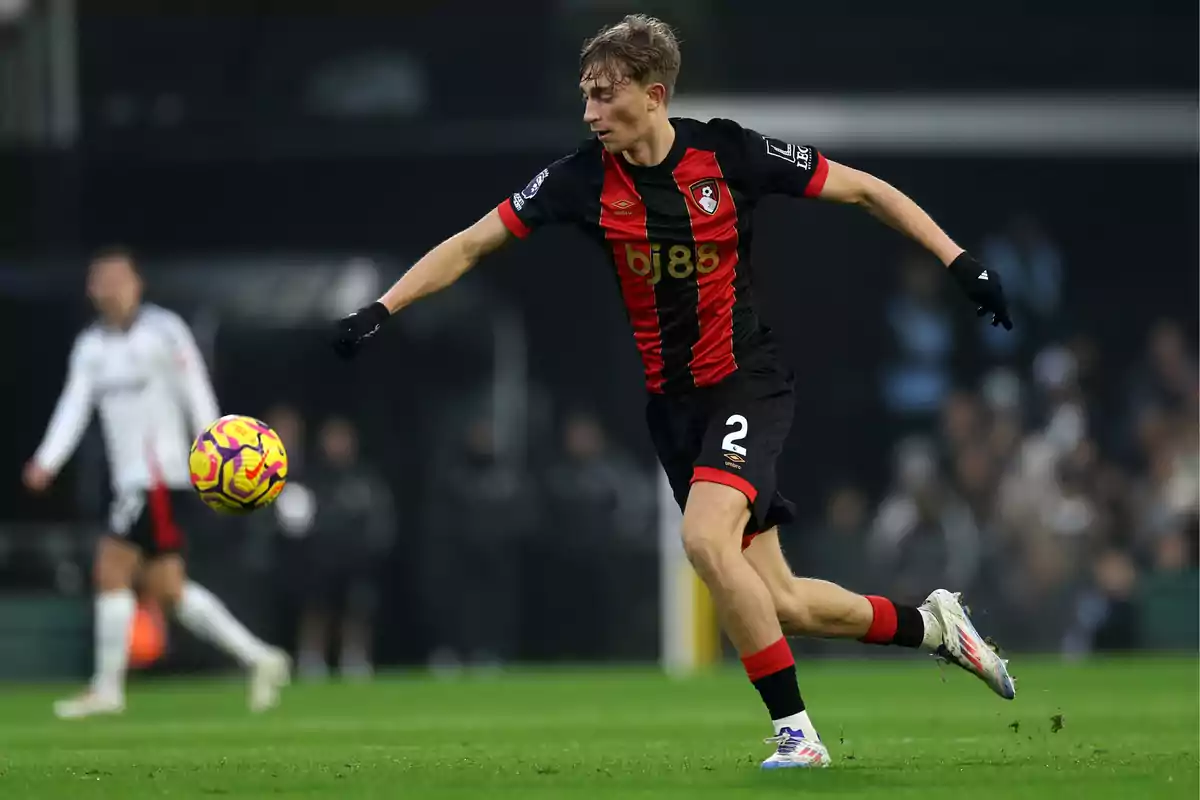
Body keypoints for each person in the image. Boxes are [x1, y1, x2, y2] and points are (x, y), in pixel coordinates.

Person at [332, 15, 1015, 769]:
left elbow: (866, 191)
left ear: (653, 95)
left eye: (603, 95)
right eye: (585, 97)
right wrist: (381, 309)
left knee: (702, 541)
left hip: (744, 383)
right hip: (675, 410)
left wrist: (960, 262)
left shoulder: (729, 153)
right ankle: (935, 629)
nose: (589, 113)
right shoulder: (579, 181)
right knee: (781, 600)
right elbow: (471, 243)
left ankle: (798, 736)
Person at [23, 246, 290, 719]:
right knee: (169, 590)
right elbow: (74, 405)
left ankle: (107, 689)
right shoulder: (91, 346)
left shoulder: (164, 331)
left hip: (162, 477)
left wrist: (219, 451)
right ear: (91, 290)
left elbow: (196, 391)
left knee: (111, 570)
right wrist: (48, 459)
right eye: (100, 280)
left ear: (136, 284)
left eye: (117, 278)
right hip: (133, 480)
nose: (109, 288)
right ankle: (262, 658)